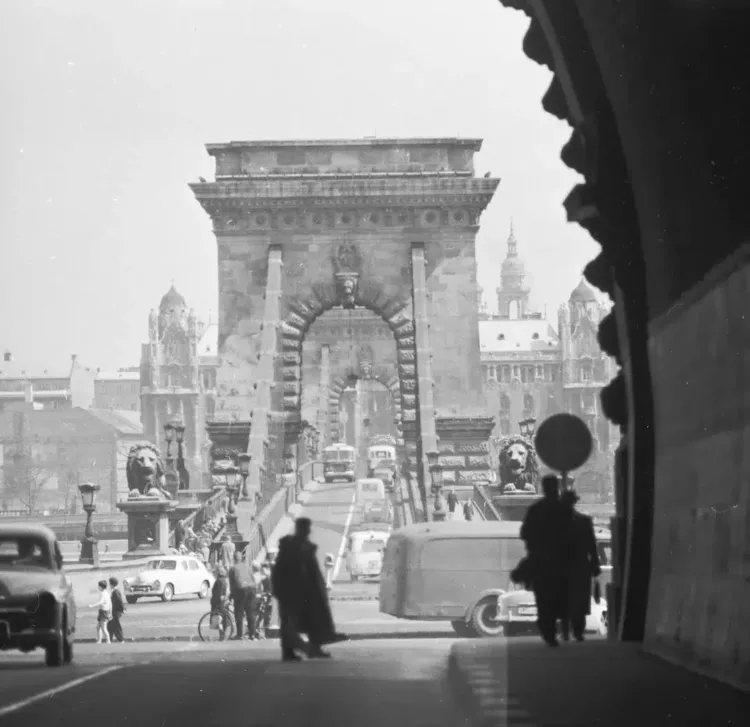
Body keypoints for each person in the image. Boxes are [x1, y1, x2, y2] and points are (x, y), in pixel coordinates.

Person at [272, 517, 347, 661]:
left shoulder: (302, 547)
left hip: (302, 591)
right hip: (292, 591)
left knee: (308, 619)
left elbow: (311, 572)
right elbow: (283, 570)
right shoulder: (294, 547)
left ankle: (306, 648)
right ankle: (295, 650)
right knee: (291, 621)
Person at [520, 474, 569, 647]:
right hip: (562, 563)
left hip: (541, 563)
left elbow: (524, 533)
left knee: (543, 598)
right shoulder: (564, 508)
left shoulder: (535, 509)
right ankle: (562, 627)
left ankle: (548, 631)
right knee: (562, 595)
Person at [559, 490, 601, 641]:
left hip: (562, 567)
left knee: (564, 599)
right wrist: (595, 565)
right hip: (581, 566)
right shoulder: (584, 521)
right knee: (579, 600)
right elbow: (592, 546)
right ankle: (578, 632)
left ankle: (565, 631)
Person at [228, 551, 257, 640]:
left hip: (241, 590)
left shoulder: (233, 568)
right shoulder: (248, 567)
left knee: (239, 613)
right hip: (251, 589)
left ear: (233, 559)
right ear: (241, 558)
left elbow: (232, 584)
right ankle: (252, 634)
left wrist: (231, 596)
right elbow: (253, 578)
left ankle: (240, 634)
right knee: (250, 613)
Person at [210, 566, 232, 640]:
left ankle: (222, 635)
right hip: (224, 601)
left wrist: (217, 603)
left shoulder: (219, 581)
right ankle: (223, 635)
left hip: (218, 603)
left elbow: (218, 594)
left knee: (218, 619)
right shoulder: (224, 580)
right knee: (224, 618)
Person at [89, 579, 112, 644]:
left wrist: (92, 605)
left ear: (101, 587)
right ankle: (99, 640)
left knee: (103, 627)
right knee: (98, 627)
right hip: (103, 611)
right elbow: (110, 603)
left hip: (104, 612)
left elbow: (101, 602)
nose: (98, 587)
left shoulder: (103, 593)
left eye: (98, 586)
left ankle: (108, 640)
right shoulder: (106, 592)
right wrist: (110, 612)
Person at [107, 577, 126, 643]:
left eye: (110, 584)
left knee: (115, 625)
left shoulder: (116, 592)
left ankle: (121, 639)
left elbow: (119, 601)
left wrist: (122, 609)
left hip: (115, 611)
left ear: (112, 584)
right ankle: (109, 639)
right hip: (113, 611)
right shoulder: (114, 591)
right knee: (110, 625)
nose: (109, 585)